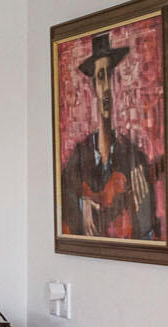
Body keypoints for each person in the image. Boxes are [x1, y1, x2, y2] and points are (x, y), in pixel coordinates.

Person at [57, 29, 161, 240]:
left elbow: (147, 233)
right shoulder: (77, 159)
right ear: (94, 86)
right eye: (100, 77)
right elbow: (66, 214)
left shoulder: (134, 157)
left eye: (109, 77)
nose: (105, 89)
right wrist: (87, 201)